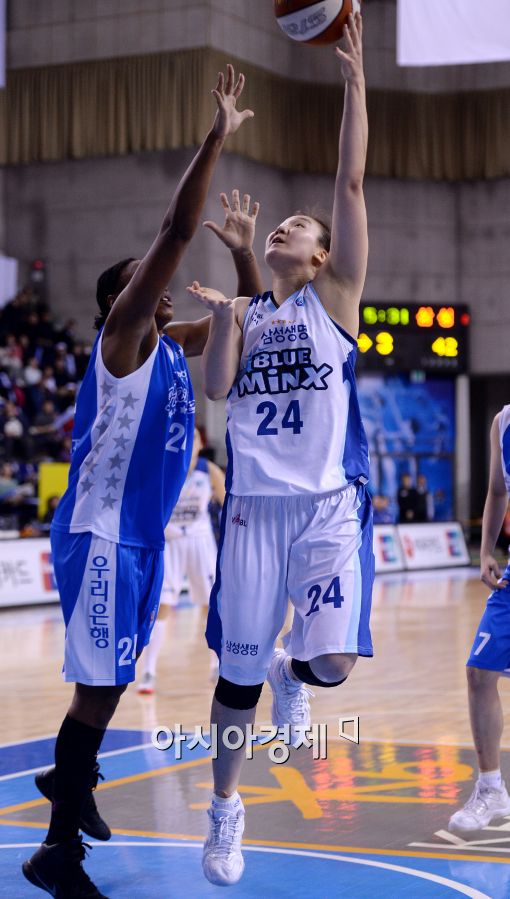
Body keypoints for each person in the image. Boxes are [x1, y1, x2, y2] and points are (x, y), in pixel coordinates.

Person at [22, 65, 256, 899]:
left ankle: (66, 782)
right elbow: (172, 227)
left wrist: (242, 256)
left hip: (140, 541)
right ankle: (57, 850)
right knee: (97, 686)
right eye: (142, 278)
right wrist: (218, 135)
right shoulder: (123, 341)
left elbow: (248, 323)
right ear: (121, 299)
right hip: (101, 535)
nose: (155, 285)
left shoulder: (167, 346)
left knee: (119, 675)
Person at [188, 13, 373, 887]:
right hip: (255, 513)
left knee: (331, 660)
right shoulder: (252, 312)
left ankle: (299, 669)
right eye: (280, 225)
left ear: (324, 254)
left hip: (329, 506)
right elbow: (217, 391)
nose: (285, 225)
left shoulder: (335, 300)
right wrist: (230, 300)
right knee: (235, 679)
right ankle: (227, 813)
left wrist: (355, 82)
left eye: (298, 223)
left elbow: (351, 181)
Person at [448, 407, 510, 835]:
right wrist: (487, 550)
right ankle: (491, 789)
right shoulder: (504, 422)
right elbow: (496, 489)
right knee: (479, 672)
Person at [137, 426, 225, 694]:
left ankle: (218, 666)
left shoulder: (209, 470)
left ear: (200, 443)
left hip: (200, 542)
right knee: (162, 606)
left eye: (195, 438)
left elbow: (228, 505)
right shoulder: (161, 468)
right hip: (169, 542)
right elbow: (143, 506)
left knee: (211, 605)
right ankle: (149, 671)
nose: (189, 442)